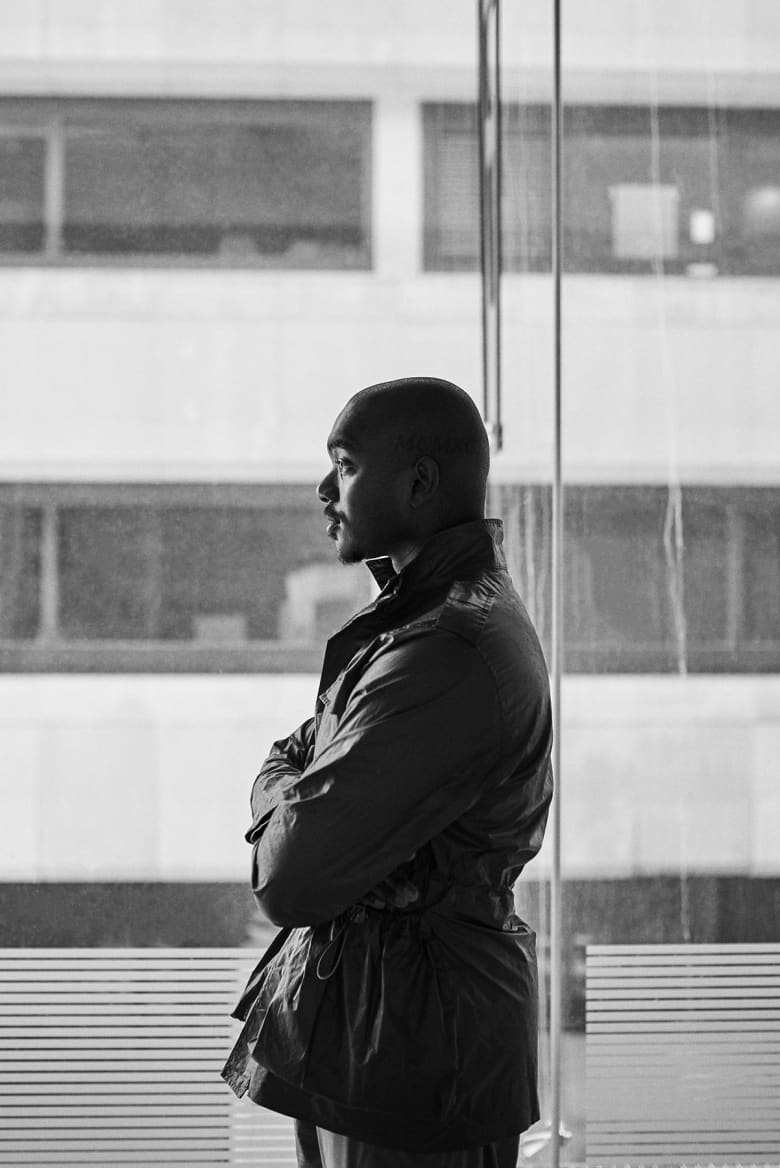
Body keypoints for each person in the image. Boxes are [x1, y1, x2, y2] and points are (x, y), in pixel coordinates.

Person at [222, 376, 553, 1168]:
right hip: (392, 1042)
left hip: (416, 1061)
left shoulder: (444, 647)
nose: (324, 490)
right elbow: (299, 754)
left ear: (418, 483)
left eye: (344, 465)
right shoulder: (421, 623)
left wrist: (280, 792)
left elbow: (292, 875)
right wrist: (293, 782)